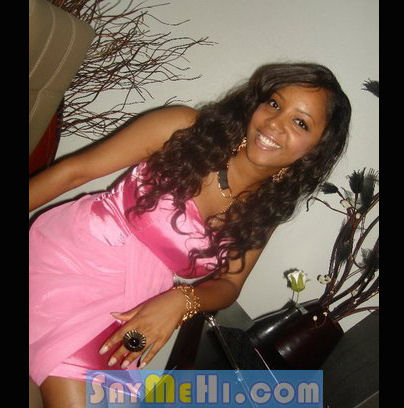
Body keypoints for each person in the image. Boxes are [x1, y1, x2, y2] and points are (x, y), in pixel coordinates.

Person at [29, 62, 351, 407]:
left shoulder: (265, 210)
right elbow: (74, 172)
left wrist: (183, 300)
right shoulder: (186, 128)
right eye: (274, 103)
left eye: (300, 123)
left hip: (135, 300)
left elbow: (230, 285)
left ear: (315, 149)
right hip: (74, 255)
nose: (275, 123)